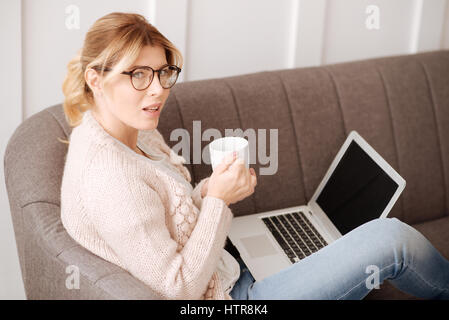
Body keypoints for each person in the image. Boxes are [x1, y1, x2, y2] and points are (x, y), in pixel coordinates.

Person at [60, 12, 449, 300]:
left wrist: (208, 191)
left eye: (163, 73)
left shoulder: (131, 128)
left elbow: (167, 225)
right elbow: (179, 290)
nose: (158, 90)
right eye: (138, 75)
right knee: (391, 238)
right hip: (235, 299)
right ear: (96, 78)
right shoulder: (110, 176)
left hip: (229, 267)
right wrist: (217, 201)